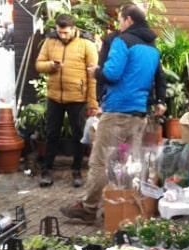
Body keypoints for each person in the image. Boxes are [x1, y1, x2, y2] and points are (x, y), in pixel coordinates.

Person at [60, 3, 166, 222]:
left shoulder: (122, 41)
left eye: (119, 20)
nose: (119, 25)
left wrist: (96, 71)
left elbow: (113, 73)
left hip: (117, 110)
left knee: (100, 161)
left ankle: (88, 208)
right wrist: (160, 101)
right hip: (139, 114)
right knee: (128, 164)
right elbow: (159, 78)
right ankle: (121, 208)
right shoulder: (153, 49)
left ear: (128, 20)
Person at [35, 14, 98, 188]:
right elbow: (39, 64)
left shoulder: (87, 44)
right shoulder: (50, 41)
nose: (62, 35)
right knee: (51, 134)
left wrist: (93, 103)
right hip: (54, 96)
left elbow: (93, 76)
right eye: (59, 32)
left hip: (77, 98)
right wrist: (51, 66)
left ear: (73, 28)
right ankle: (47, 171)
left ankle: (77, 171)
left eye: (65, 32)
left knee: (79, 136)